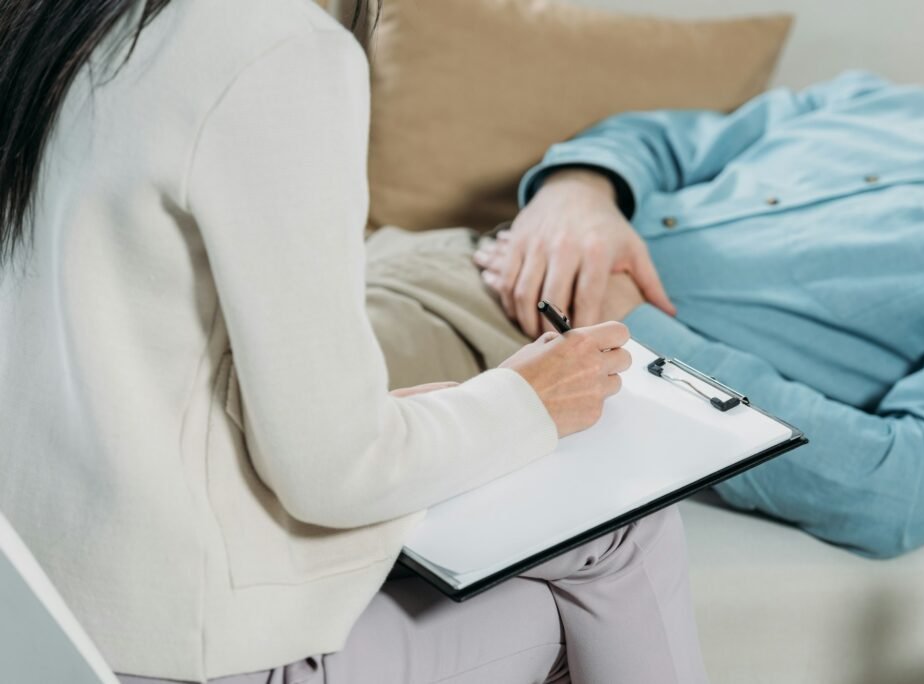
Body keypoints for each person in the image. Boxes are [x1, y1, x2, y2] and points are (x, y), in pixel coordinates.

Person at [0, 1, 708, 683]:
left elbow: (127, 361)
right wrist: (527, 401)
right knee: (625, 530)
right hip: (188, 654)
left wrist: (405, 415)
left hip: (44, 627)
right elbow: (336, 472)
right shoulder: (275, 50)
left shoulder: (66, 22)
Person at [475, 71, 924, 559]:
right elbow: (660, 141)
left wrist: (633, 326)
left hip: (526, 364)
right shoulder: (887, 102)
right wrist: (581, 190)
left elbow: (905, 493)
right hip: (460, 255)